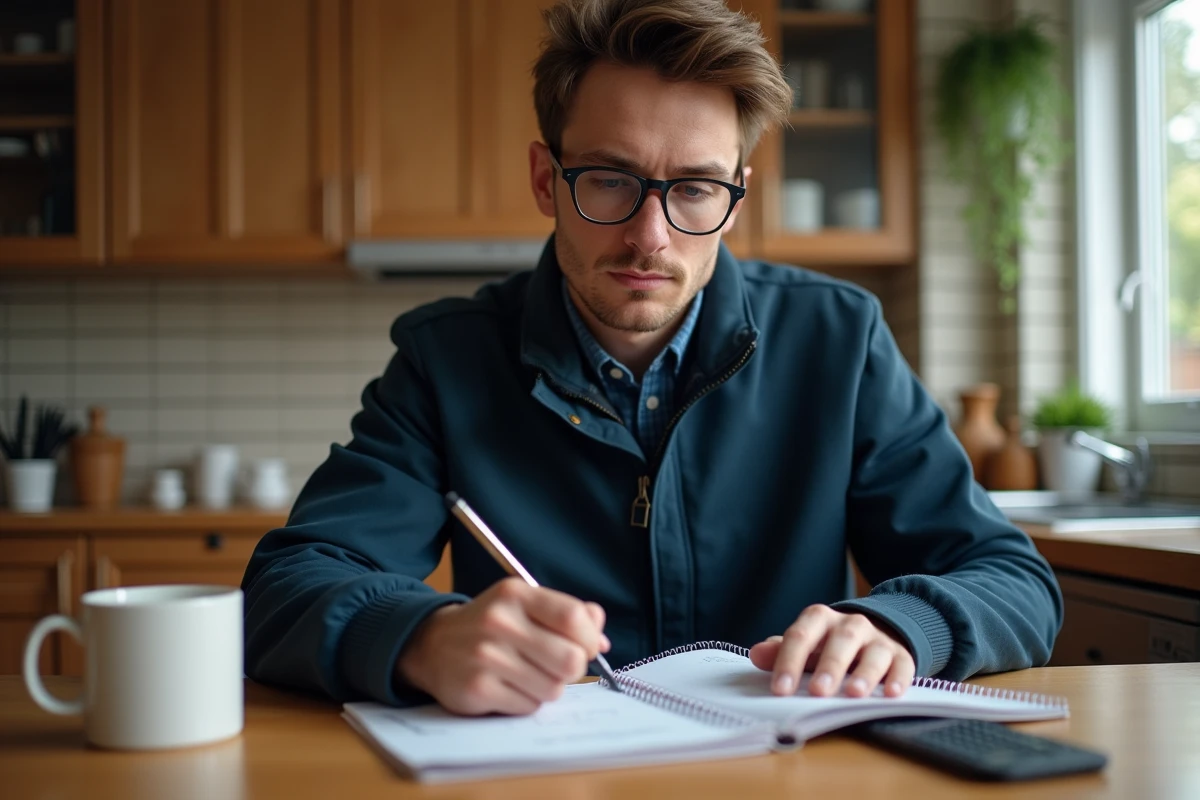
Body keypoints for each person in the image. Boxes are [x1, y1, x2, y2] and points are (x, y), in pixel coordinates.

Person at [242, 0, 1062, 716]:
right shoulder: (444, 358)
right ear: (545, 179)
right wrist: (421, 637)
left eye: (695, 189)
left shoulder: (839, 339)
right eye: (610, 179)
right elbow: (284, 586)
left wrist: (902, 627)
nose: (650, 237)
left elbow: (1009, 578)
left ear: (736, 198)